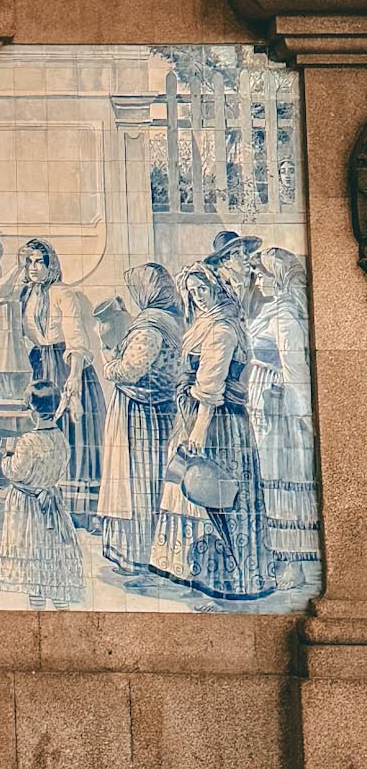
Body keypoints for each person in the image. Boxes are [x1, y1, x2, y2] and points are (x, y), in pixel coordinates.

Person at [149, 261, 275, 604]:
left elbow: (211, 384)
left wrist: (199, 429)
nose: (198, 296)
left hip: (217, 422)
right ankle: (198, 570)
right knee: (193, 490)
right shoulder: (203, 322)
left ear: (215, 287)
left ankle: (230, 577)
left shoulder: (221, 327)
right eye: (192, 292)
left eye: (202, 289)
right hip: (196, 415)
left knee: (214, 491)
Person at [0, 237, 104, 527]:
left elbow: (76, 340)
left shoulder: (63, 293)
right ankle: (46, 507)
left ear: (51, 264)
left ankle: (78, 511)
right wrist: (16, 270)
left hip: (65, 366)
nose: (34, 268)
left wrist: (73, 381)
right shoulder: (25, 294)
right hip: (38, 367)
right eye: (29, 262)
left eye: (39, 262)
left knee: (74, 435)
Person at [96, 263, 184, 581]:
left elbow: (129, 371)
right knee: (151, 480)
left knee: (138, 482)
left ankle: (137, 554)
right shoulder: (174, 320)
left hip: (140, 412)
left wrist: (107, 357)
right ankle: (150, 553)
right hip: (160, 408)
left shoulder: (149, 327)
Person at [247, 247, 320, 590]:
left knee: (282, 483)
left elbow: (294, 371)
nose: (257, 279)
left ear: (277, 279)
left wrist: (304, 416)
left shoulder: (286, 317)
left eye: (262, 274)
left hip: (281, 408)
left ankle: (293, 566)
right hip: (263, 402)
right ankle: (280, 560)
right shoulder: (270, 311)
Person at [0, 380, 84, 609]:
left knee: (34, 559)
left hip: (29, 507)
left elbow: (15, 471)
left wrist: (5, 455)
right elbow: (59, 466)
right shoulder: (61, 439)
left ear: (32, 410)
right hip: (52, 503)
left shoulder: (27, 441)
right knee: (53, 560)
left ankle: (38, 610)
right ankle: (59, 607)